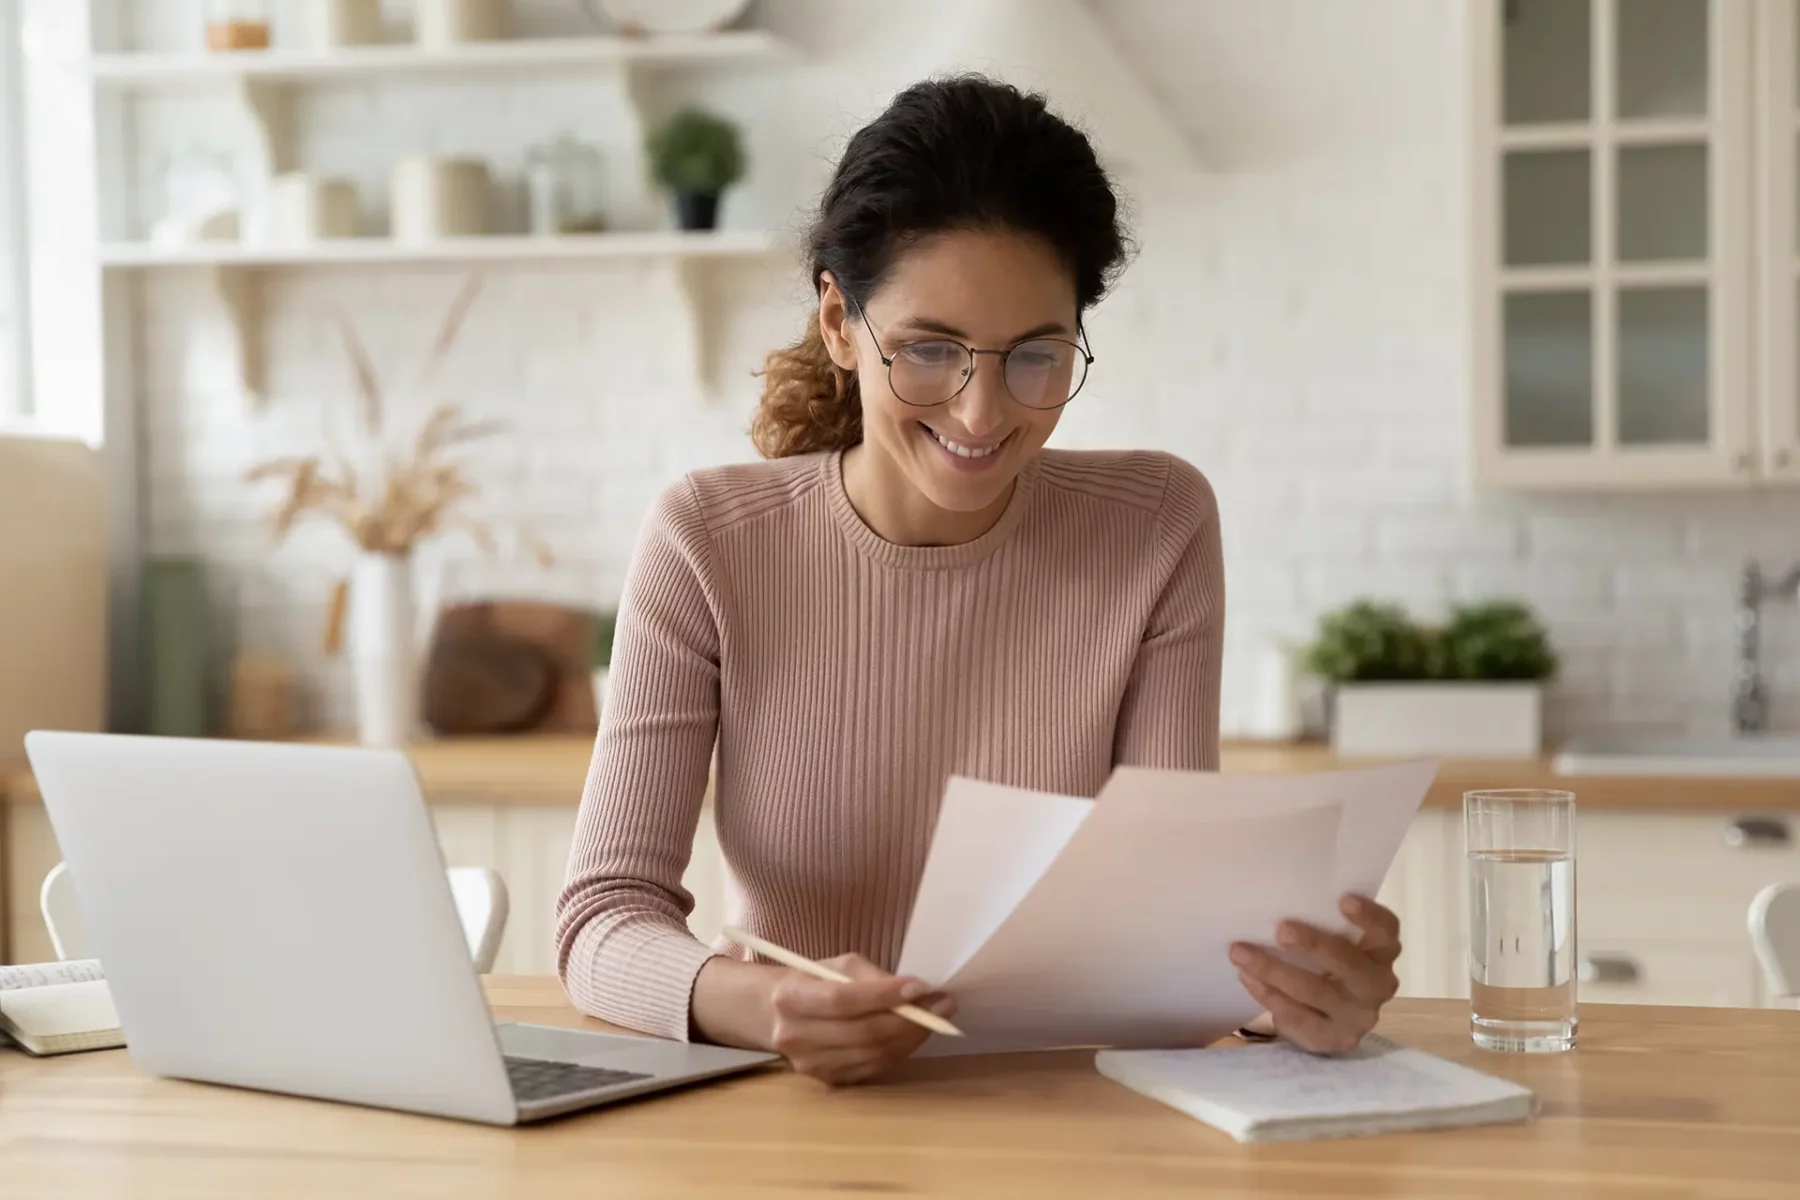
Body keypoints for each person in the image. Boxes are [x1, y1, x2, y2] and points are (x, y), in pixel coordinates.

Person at [555, 74, 1403, 1085]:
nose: (981, 413)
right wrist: (762, 1007)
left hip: (1074, 1117)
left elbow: (1169, 931)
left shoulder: (1156, 527)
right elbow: (602, 920)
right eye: (929, 350)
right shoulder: (709, 539)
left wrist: (1289, 1002)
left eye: (1036, 357)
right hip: (800, 1120)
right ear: (839, 323)